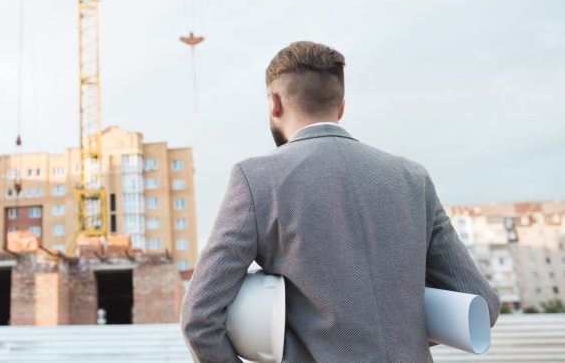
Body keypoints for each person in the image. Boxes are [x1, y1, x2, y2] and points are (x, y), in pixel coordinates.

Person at [180, 41, 501, 362]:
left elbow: (200, 319)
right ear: (341, 107)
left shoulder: (257, 180)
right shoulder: (413, 178)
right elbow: (482, 304)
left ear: (274, 103)